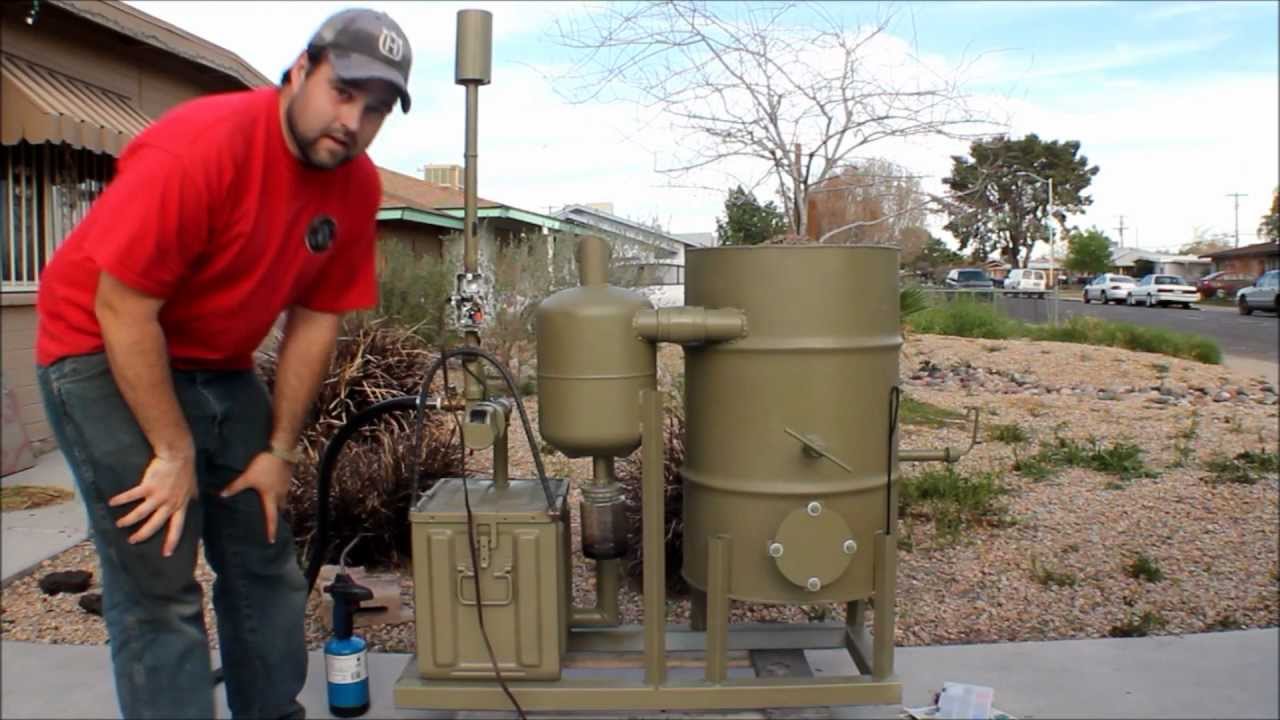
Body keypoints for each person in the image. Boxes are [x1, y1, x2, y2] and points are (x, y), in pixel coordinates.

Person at [33, 8, 412, 718]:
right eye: (343, 90)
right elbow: (123, 308)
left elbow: (315, 319)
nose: (354, 119)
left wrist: (278, 448)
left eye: (378, 107)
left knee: (264, 556)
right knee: (161, 576)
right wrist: (173, 451)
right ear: (300, 70)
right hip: (99, 347)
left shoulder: (355, 186)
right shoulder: (200, 148)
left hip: (219, 362)